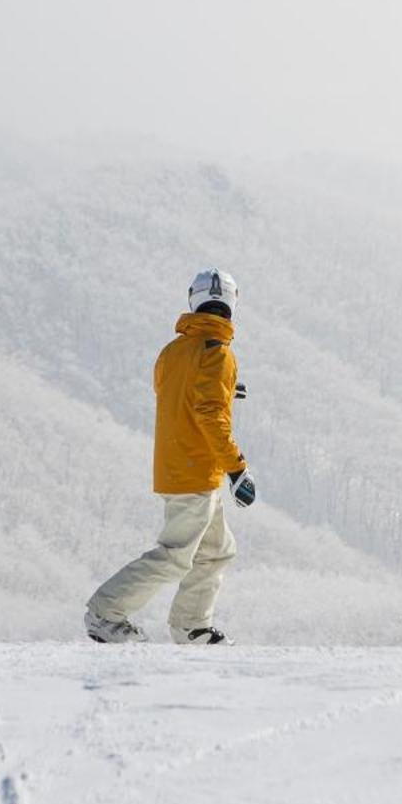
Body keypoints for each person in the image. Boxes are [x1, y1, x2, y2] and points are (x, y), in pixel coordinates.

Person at [85, 268, 257, 645]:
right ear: (231, 303)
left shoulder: (174, 351)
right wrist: (237, 469)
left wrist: (226, 390)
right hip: (196, 470)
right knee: (177, 555)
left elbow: (176, 392)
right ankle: (105, 612)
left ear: (194, 300)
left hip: (179, 465)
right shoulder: (219, 352)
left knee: (216, 551)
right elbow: (210, 416)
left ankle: (191, 626)